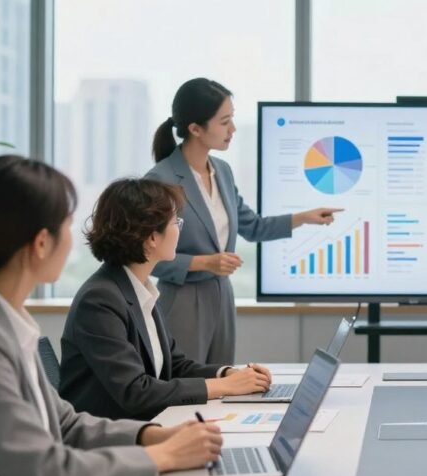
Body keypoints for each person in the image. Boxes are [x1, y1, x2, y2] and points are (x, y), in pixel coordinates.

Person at [0, 156, 221, 476]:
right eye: (67, 225)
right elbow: (46, 472)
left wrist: (151, 435)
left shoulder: (8, 323)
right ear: (42, 243)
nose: (73, 241)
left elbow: (67, 424)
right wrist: (162, 457)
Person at [146, 78, 341, 364]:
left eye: (232, 119)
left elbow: (254, 227)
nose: (233, 129)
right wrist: (204, 262)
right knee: (184, 390)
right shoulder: (160, 180)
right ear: (195, 129)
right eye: (225, 122)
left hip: (221, 297)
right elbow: (147, 256)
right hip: (182, 302)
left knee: (222, 385)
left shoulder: (222, 172)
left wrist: (304, 218)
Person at [60, 178, 274, 421]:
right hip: (108, 439)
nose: (178, 230)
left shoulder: (139, 288)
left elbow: (173, 365)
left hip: (143, 425)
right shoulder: (100, 300)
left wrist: (228, 374)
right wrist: (225, 387)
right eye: (176, 222)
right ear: (152, 237)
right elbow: (135, 391)